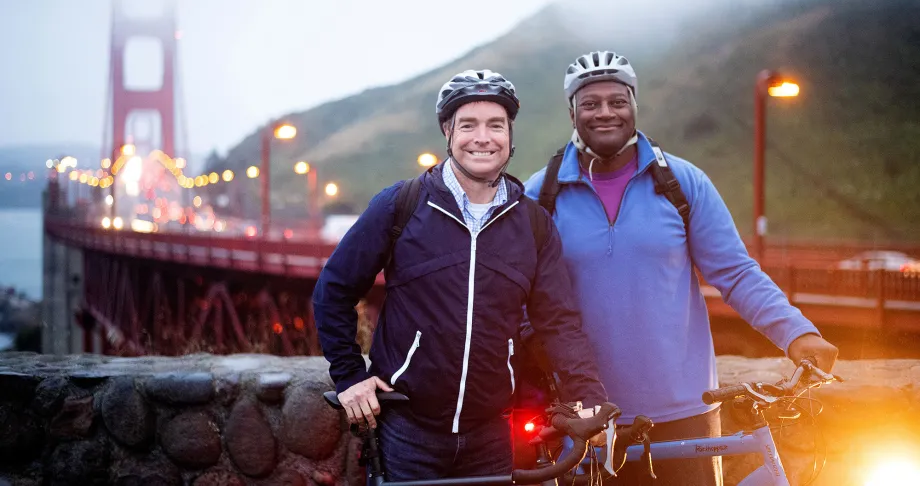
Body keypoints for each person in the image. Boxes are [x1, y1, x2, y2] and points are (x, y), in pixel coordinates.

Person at [523, 51, 839, 485]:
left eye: (617, 100)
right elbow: (517, 294)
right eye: (590, 103)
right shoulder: (541, 193)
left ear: (634, 105)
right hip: (584, 417)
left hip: (686, 410)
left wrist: (796, 332)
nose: (605, 112)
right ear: (572, 112)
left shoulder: (681, 183)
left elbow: (735, 272)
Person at [313, 69, 608, 481]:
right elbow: (334, 290)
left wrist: (586, 393)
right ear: (448, 132)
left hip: (492, 434)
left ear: (510, 135)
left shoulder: (534, 225)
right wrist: (349, 377)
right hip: (407, 429)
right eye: (468, 125)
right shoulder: (402, 204)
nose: (483, 138)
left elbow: (557, 321)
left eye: (496, 125)